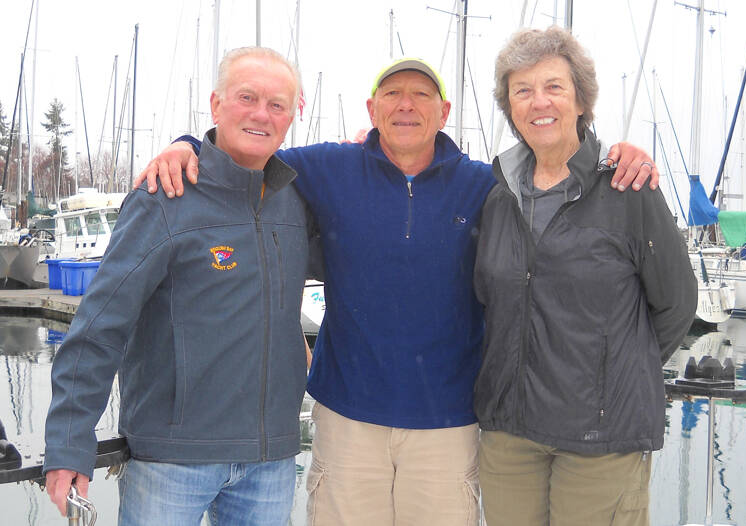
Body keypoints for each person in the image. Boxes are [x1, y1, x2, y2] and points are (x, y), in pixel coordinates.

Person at [136, 57, 659, 525]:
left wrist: (619, 150)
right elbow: (246, 146)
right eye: (392, 94)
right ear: (372, 107)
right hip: (346, 420)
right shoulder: (324, 168)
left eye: (421, 95)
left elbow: (556, 176)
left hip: (448, 425)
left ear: (444, 110)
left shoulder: (485, 185)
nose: (406, 105)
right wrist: (185, 145)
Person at [43, 47, 312, 526]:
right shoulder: (164, 198)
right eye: (246, 97)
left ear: (294, 114)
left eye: (277, 104)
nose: (260, 114)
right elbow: (99, 326)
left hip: (271, 462)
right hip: (170, 463)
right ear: (215, 104)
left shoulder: (298, 202)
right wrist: (69, 443)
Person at [472, 26, 697, 526]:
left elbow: (678, 304)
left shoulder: (626, 186)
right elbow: (488, 300)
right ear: (509, 107)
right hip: (509, 434)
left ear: (581, 100)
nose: (539, 102)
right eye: (522, 91)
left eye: (554, 86)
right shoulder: (498, 196)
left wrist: (609, 373)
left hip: (600, 439)